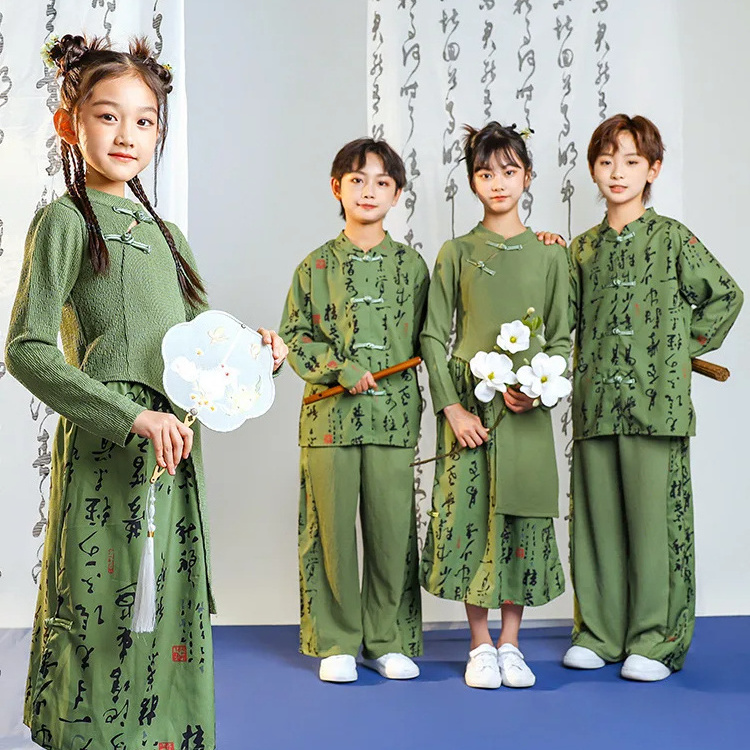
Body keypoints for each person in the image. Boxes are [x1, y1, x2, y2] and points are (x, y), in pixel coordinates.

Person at [5, 34, 285, 750]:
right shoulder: (66, 222)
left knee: (166, 611)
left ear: (160, 130)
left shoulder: (171, 237)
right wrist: (129, 415)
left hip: (172, 455)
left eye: (145, 119)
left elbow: (204, 356)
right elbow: (27, 349)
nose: (127, 134)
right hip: (108, 453)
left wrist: (259, 357)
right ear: (72, 123)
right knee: (103, 608)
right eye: (108, 115)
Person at [563, 114, 743, 681]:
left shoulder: (672, 238)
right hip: (594, 404)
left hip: (656, 406)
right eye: (607, 160)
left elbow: (726, 295)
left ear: (653, 170)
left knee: (654, 526)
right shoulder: (581, 249)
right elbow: (559, 314)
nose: (617, 173)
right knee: (596, 525)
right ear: (593, 168)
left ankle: (655, 642)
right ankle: (599, 633)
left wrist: (676, 346)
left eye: (632, 162)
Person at [419, 122, 570, 689]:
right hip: (470, 403)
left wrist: (538, 389)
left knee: (521, 515)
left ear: (527, 176)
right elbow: (434, 336)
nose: (497, 183)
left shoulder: (553, 256)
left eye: (509, 172)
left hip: (527, 406)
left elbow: (560, 339)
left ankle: (513, 642)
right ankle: (479, 644)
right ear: (471, 182)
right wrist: (452, 408)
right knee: (469, 515)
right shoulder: (456, 253)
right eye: (486, 173)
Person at [279, 138, 429, 683]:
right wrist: (338, 368)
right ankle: (337, 641)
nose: (369, 191)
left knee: (392, 533)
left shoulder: (413, 267)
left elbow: (431, 339)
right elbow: (294, 338)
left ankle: (387, 639)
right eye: (358, 180)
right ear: (336, 186)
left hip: (393, 420)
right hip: (328, 422)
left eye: (382, 182)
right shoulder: (313, 266)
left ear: (397, 194)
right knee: (331, 532)